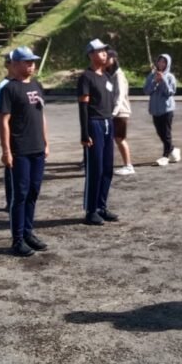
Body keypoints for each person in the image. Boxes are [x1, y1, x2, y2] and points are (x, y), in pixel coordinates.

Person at [0, 46, 50, 257]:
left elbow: (41, 115)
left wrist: (46, 142)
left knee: (33, 192)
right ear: (16, 63)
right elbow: (4, 121)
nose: (31, 65)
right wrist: (6, 150)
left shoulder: (36, 85)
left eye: (33, 62)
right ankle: (17, 239)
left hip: (37, 148)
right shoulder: (8, 88)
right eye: (27, 62)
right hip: (20, 150)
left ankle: (28, 232)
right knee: (19, 195)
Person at [78, 39, 118, 225]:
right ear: (91, 55)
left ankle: (102, 206)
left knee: (108, 168)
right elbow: (83, 107)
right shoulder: (86, 77)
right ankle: (91, 210)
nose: (105, 54)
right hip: (94, 123)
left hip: (108, 121)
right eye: (100, 51)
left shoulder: (107, 77)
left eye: (105, 51)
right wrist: (85, 133)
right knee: (95, 169)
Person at [144, 53, 180, 167]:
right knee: (160, 133)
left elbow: (170, 92)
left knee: (166, 133)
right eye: (159, 61)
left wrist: (162, 80)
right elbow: (146, 91)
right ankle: (173, 150)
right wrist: (155, 81)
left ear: (167, 64)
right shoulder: (151, 76)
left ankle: (165, 156)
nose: (161, 64)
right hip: (155, 109)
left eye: (164, 62)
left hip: (167, 109)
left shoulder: (170, 77)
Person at [106, 48, 135, 176]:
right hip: (113, 112)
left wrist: (113, 112)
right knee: (115, 139)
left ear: (113, 59)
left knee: (120, 139)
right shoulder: (109, 74)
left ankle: (128, 166)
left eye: (108, 58)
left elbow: (120, 95)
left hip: (120, 112)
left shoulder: (118, 75)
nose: (105, 60)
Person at [0, 52, 15, 212]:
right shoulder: (3, 86)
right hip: (13, 135)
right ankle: (11, 200)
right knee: (11, 169)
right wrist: (4, 143)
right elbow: (0, 115)